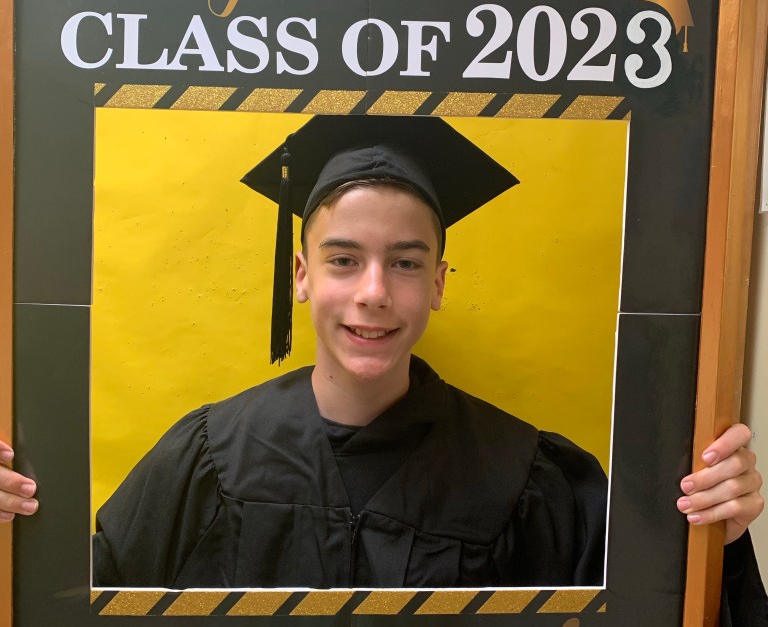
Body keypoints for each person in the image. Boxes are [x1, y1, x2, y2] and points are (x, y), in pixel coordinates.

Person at [0, 114, 764, 585]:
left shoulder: (523, 476)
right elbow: (68, 619)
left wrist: (715, 536)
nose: (373, 292)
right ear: (300, 276)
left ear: (438, 282)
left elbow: (652, 625)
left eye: (404, 262)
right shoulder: (209, 459)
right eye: (343, 260)